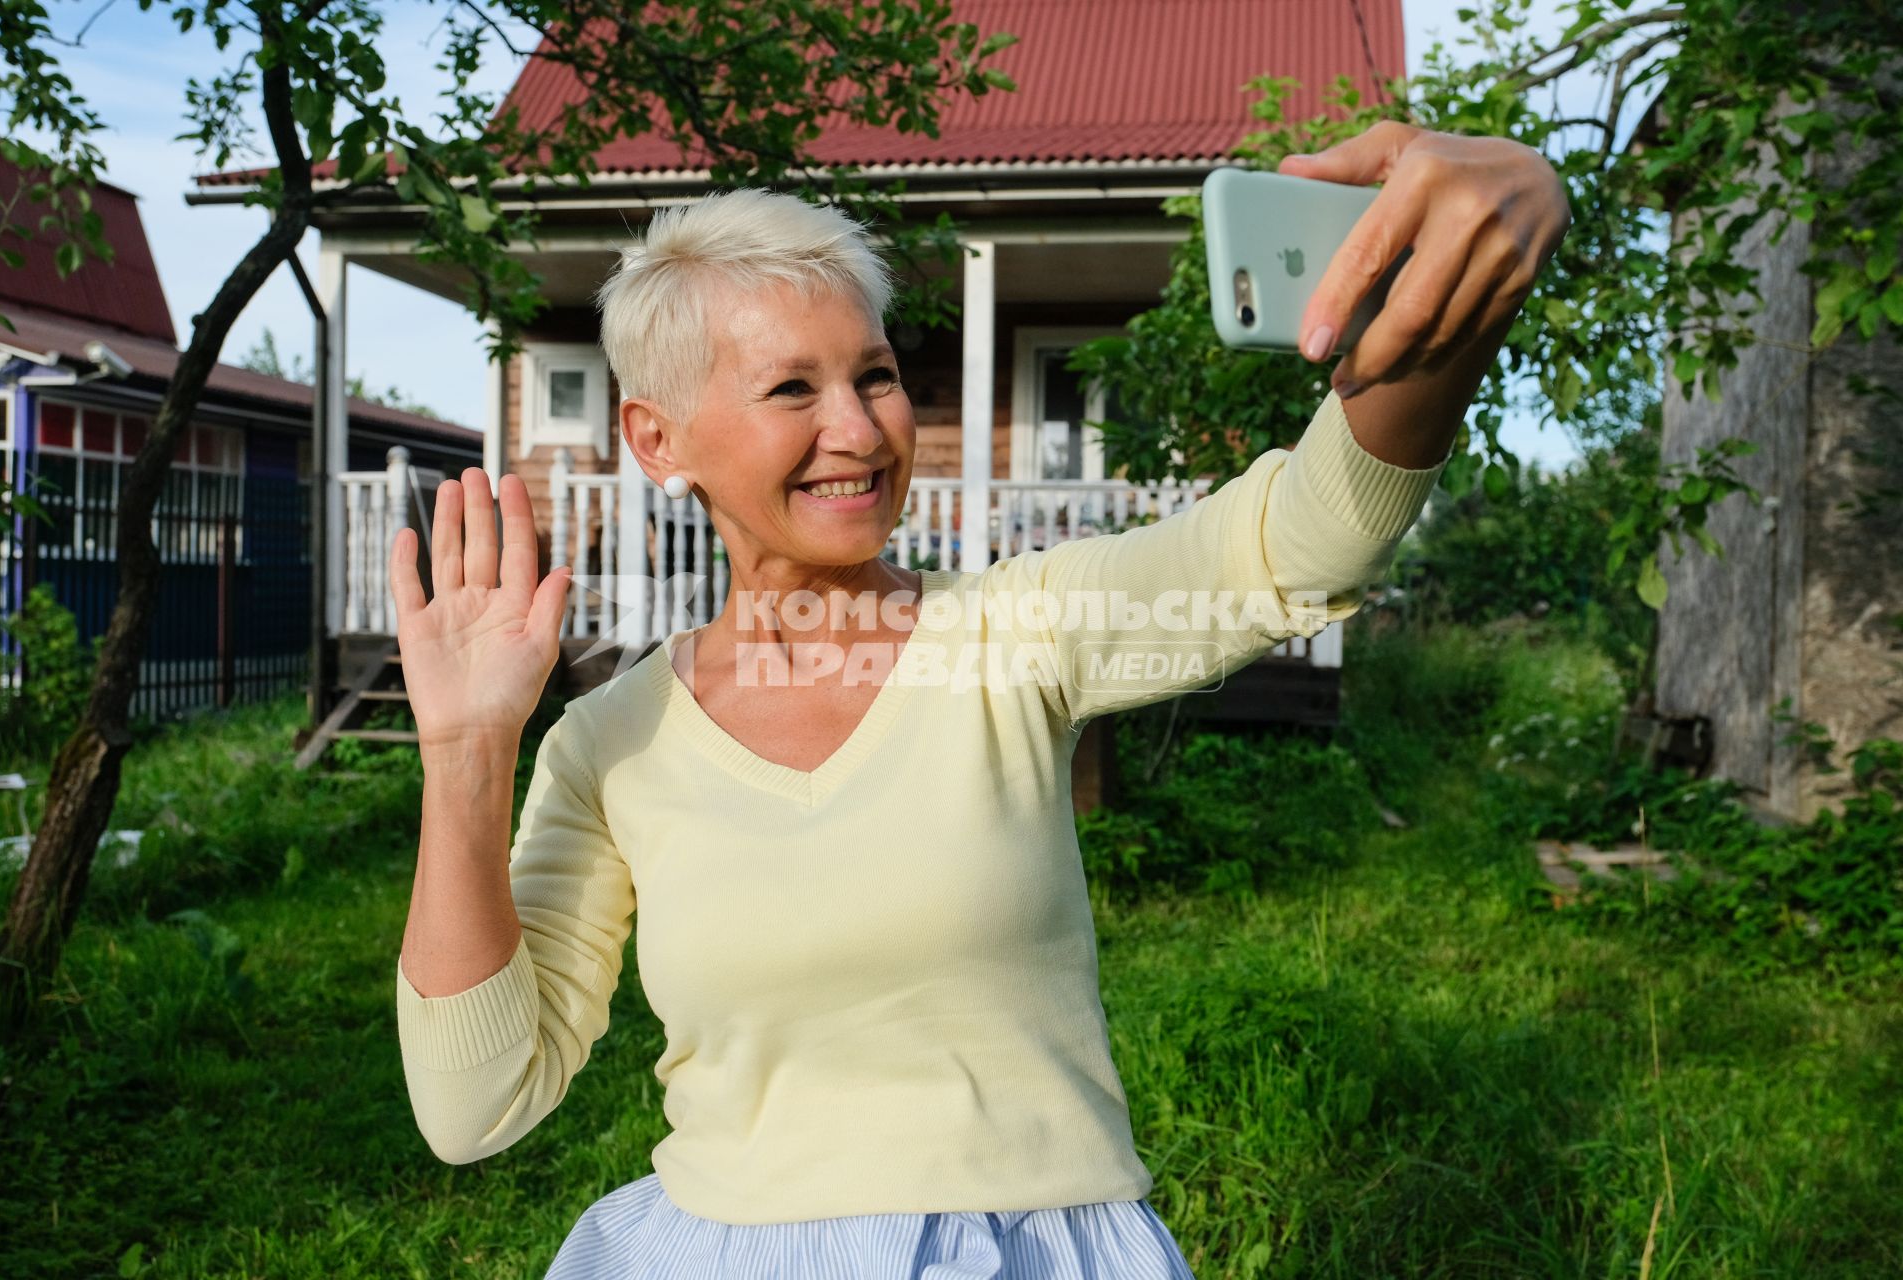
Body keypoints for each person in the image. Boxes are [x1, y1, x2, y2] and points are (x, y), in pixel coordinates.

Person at [390, 121, 1571, 1277]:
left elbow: (1296, 547)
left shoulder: (1010, 631)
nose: (857, 429)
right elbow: (476, 1103)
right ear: (659, 437)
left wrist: (1454, 312)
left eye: (877, 374)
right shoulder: (612, 742)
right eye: (791, 388)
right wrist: (467, 749)